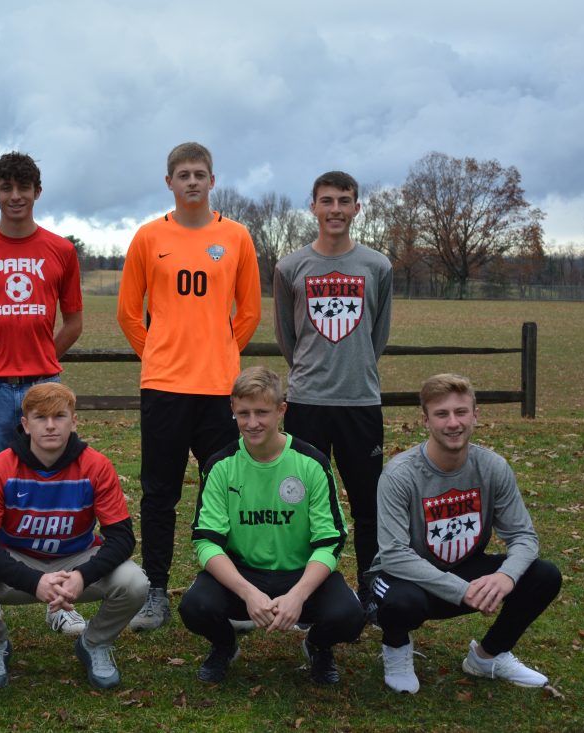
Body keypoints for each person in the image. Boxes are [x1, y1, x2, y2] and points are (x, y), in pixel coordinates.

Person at [116, 142, 261, 631]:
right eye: (183, 174)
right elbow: (129, 313)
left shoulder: (237, 236)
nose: (192, 181)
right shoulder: (147, 237)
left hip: (221, 390)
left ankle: (224, 590)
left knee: (222, 492)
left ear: (213, 181)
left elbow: (250, 312)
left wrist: (220, 349)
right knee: (160, 492)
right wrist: (158, 351)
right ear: (170, 183)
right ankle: (155, 589)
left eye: (200, 173)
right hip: (164, 386)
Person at [0, 151, 85, 637]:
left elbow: (74, 321)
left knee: (53, 490)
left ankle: (60, 600)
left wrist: (44, 361)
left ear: (37, 192)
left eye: (23, 188)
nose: (15, 197)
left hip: (43, 389)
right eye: (6, 188)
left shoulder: (59, 250)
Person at [369, 373, 562, 694]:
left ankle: (488, 657)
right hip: (403, 577)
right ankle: (396, 649)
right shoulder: (399, 474)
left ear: (476, 415)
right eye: (441, 414)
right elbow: (393, 554)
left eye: (461, 412)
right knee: (401, 604)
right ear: (426, 420)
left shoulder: (492, 467)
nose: (453, 422)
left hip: (464, 570)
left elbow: (524, 538)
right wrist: (461, 590)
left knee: (543, 575)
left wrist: (505, 578)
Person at [0, 383, 149, 689]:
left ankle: (94, 643)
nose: (49, 425)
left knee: (135, 582)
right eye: (39, 417)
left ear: (74, 421)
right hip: (17, 560)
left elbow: (122, 538)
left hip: (76, 559)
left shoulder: (96, 465)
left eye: (59, 416)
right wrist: (34, 581)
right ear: (25, 424)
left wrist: (82, 575)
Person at [178, 367, 363, 684]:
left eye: (262, 412)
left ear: (281, 410)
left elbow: (329, 541)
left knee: (349, 616)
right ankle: (224, 645)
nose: (252, 423)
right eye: (243, 413)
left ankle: (317, 645)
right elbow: (206, 542)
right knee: (195, 606)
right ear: (232, 411)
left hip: (300, 572)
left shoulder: (311, 462)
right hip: (244, 573)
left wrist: (299, 595)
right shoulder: (221, 465)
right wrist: (248, 592)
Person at [273, 170, 393, 622]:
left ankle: (371, 586)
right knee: (303, 503)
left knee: (367, 504)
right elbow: (288, 335)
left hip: (360, 401)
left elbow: (378, 334)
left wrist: (355, 366)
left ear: (357, 207)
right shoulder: (290, 267)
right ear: (313, 207)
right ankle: (304, 592)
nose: (336, 209)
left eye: (345, 201)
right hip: (307, 401)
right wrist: (312, 367)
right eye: (327, 201)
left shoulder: (377, 266)